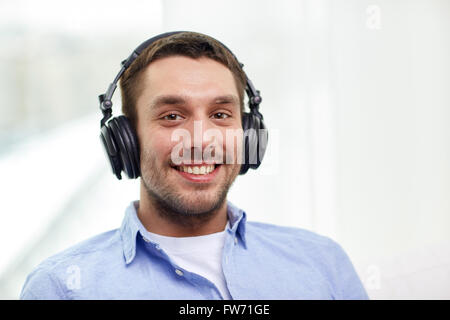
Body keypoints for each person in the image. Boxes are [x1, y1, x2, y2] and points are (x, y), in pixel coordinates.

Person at [20, 31, 368, 300]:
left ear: (248, 134)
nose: (201, 141)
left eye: (220, 114)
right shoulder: (61, 287)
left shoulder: (323, 264)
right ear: (125, 139)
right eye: (172, 116)